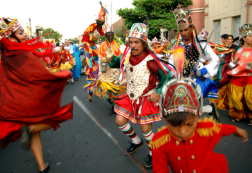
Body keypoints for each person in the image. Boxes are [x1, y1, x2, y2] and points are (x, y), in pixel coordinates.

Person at [0, 17, 73, 173]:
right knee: (52, 120)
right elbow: (39, 74)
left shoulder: (7, 54)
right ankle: (28, 131)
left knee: (36, 134)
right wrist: (61, 75)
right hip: (28, 99)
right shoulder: (21, 53)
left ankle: (42, 166)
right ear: (9, 38)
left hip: (15, 101)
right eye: (21, 32)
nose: (26, 35)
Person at [151, 48, 248, 172]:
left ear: (197, 116)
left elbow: (222, 129)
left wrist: (237, 130)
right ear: (165, 118)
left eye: (190, 124)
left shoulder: (206, 130)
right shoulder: (159, 141)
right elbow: (160, 170)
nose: (182, 131)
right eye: (174, 125)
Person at [111, 23, 174, 169]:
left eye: (136, 42)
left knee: (146, 129)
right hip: (130, 96)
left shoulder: (151, 61)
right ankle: (136, 140)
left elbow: (168, 77)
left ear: (144, 44)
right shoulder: (126, 55)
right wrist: (109, 58)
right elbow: (116, 63)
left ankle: (154, 152)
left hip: (147, 97)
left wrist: (158, 93)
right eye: (131, 42)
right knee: (120, 121)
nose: (132, 45)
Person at [169, 9, 220, 121]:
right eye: (181, 31)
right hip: (181, 80)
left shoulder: (200, 44)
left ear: (192, 28)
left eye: (186, 30)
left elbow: (215, 60)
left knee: (191, 110)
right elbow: (171, 62)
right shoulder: (178, 45)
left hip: (197, 80)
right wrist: (173, 72)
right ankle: (209, 109)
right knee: (181, 108)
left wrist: (202, 71)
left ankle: (189, 132)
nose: (183, 33)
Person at [85, 23, 126, 112]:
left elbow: (122, 57)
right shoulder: (103, 45)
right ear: (106, 36)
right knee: (106, 89)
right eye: (108, 35)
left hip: (116, 70)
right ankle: (114, 104)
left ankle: (116, 105)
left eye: (111, 34)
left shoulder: (119, 44)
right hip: (106, 71)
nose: (110, 36)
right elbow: (100, 57)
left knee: (116, 89)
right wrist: (103, 64)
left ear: (113, 35)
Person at [217, 23, 252, 125]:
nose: (251, 38)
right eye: (250, 36)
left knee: (249, 98)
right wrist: (230, 63)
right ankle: (238, 115)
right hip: (237, 77)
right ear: (244, 38)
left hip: (249, 77)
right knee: (235, 97)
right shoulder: (238, 50)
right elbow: (233, 62)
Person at [82, 1, 107, 101]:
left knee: (100, 53)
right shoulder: (93, 25)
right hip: (86, 42)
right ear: (98, 21)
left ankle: (100, 66)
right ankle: (90, 68)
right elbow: (85, 33)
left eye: (102, 23)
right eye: (100, 22)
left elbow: (103, 34)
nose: (101, 24)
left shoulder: (99, 28)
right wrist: (93, 36)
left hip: (92, 44)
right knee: (90, 54)